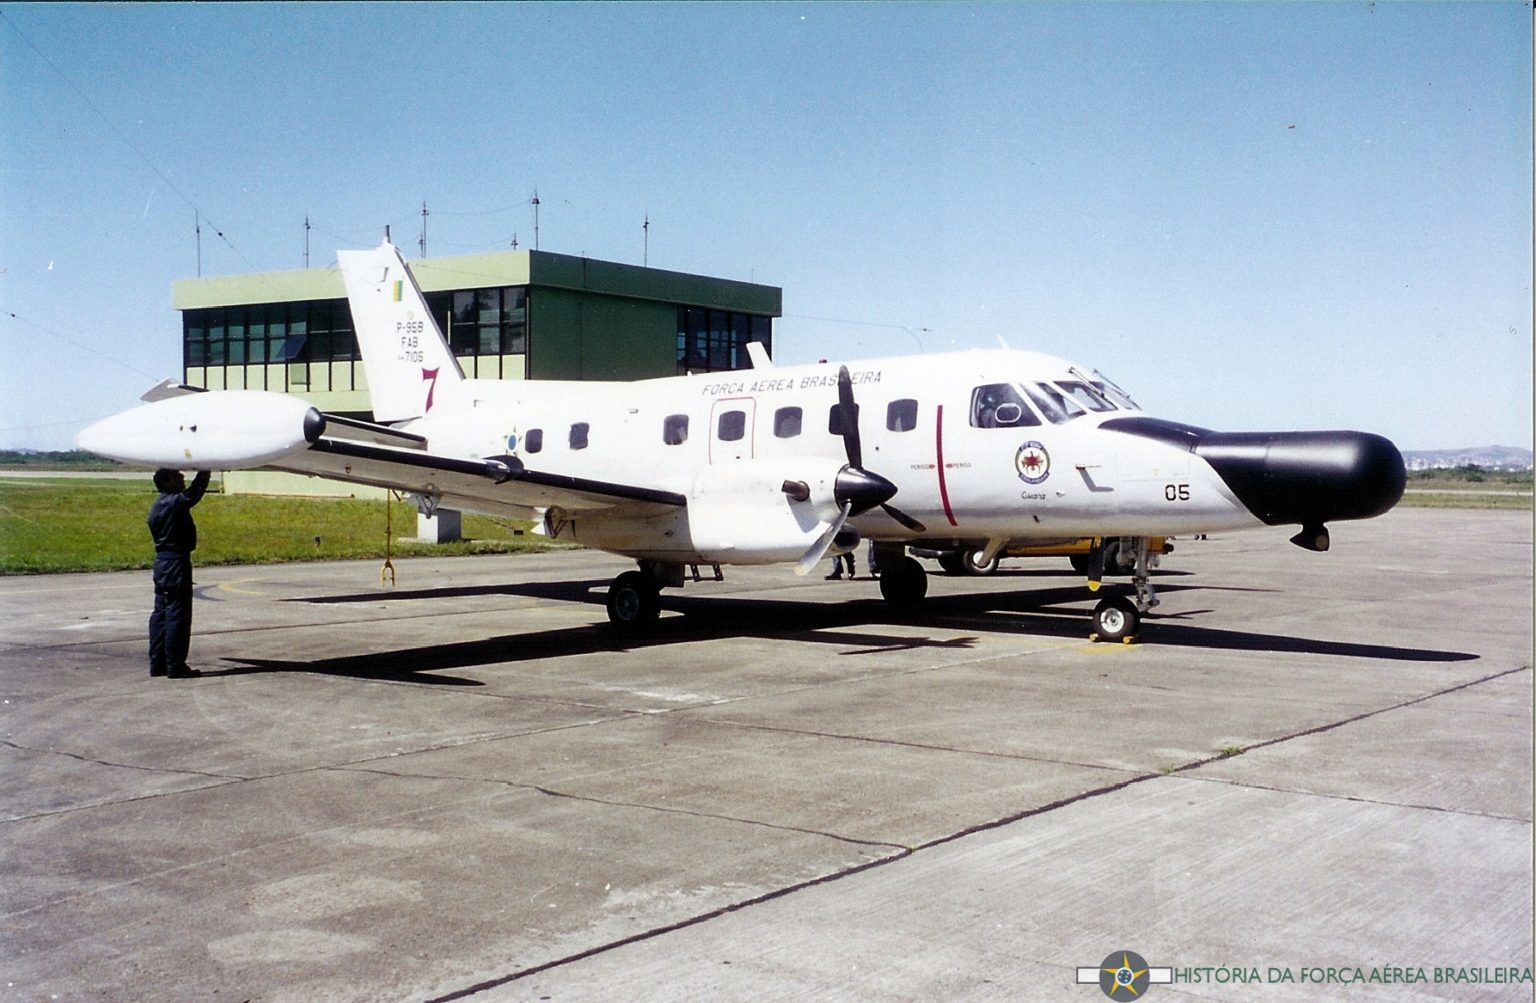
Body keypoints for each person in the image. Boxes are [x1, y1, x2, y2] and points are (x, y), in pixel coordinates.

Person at [147, 468, 211, 679]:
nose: (182, 477)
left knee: (161, 613)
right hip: (176, 563)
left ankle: (158, 664)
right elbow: (194, 494)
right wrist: (205, 470)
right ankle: (175, 665)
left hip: (162, 564)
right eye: (177, 476)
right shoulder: (174, 503)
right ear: (167, 483)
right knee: (177, 614)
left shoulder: (157, 506)